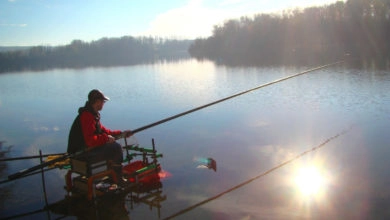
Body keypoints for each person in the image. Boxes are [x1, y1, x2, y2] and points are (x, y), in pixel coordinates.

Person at [67, 89, 132, 180]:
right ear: (97, 101)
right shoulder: (87, 116)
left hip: (84, 151)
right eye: (103, 101)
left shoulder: (92, 114)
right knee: (116, 148)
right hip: (80, 155)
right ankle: (118, 178)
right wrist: (106, 138)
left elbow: (104, 131)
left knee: (111, 146)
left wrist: (122, 133)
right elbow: (90, 141)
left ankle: (112, 174)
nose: (103, 104)